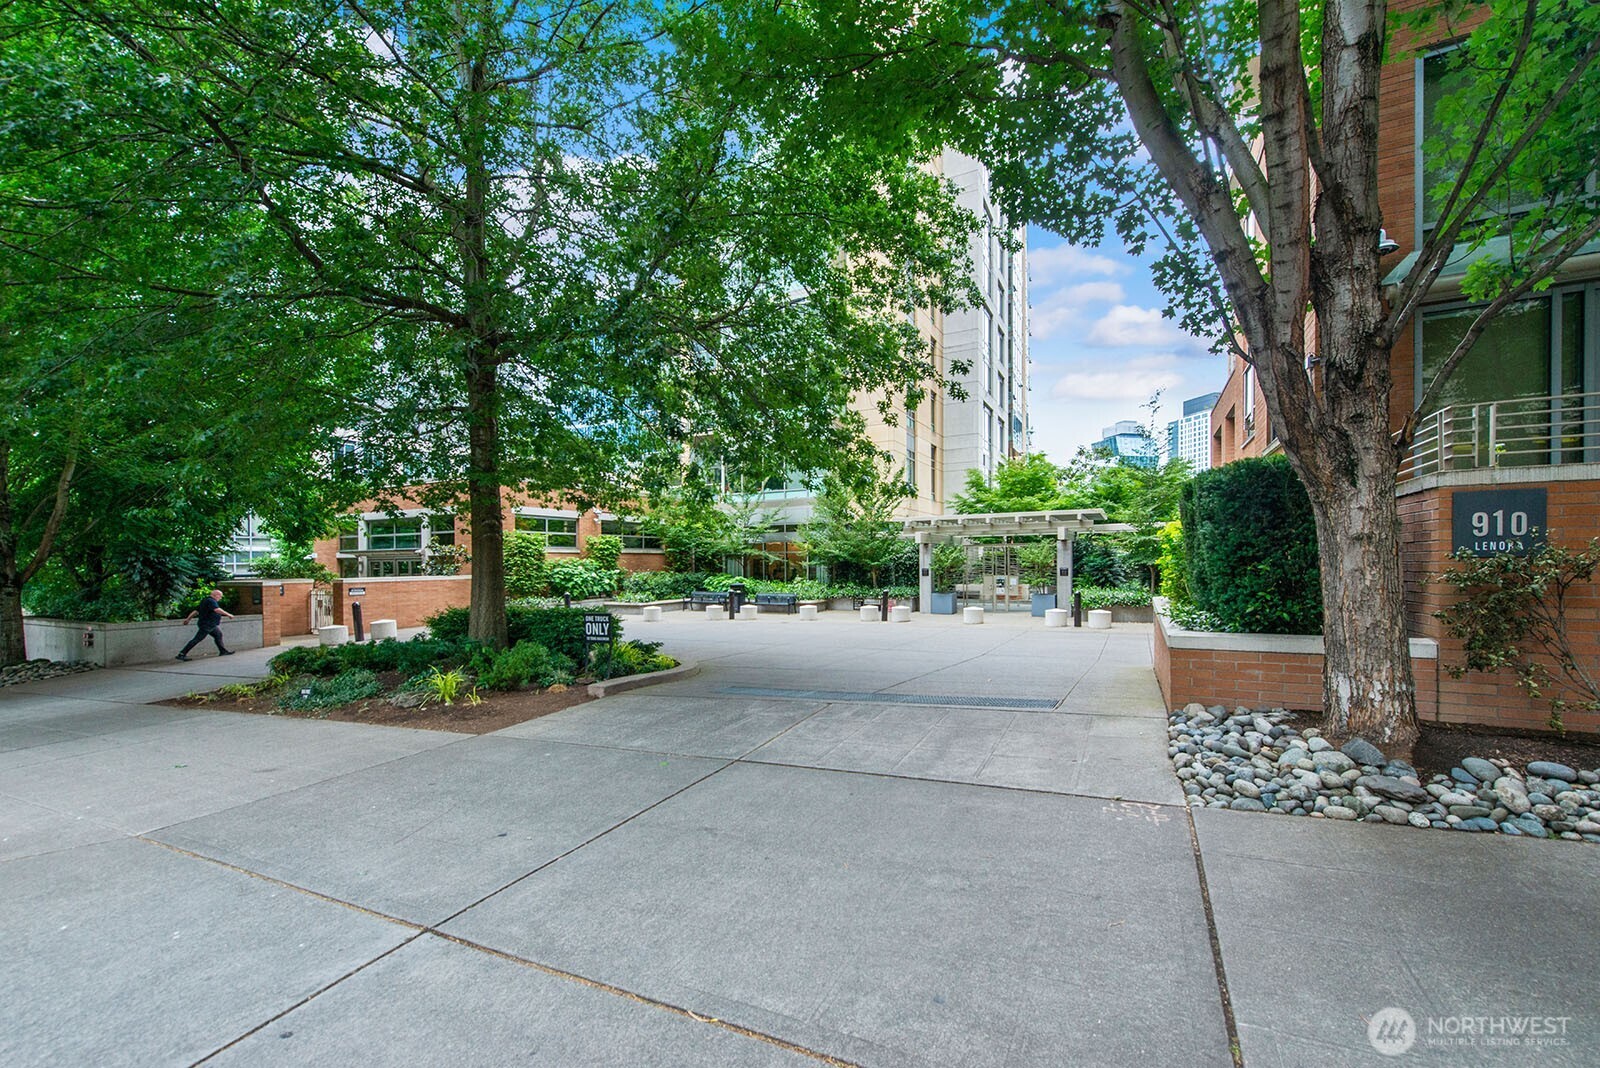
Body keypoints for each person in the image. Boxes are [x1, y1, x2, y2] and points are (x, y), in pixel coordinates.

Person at [176, 589, 236, 660]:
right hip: (207, 624)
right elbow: (216, 609)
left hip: (210, 624)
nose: (220, 598)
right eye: (220, 596)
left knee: (218, 635)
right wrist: (228, 614)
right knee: (197, 639)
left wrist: (188, 619)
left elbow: (196, 611)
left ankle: (223, 651)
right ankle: (182, 654)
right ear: (216, 595)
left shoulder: (205, 600)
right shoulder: (211, 601)